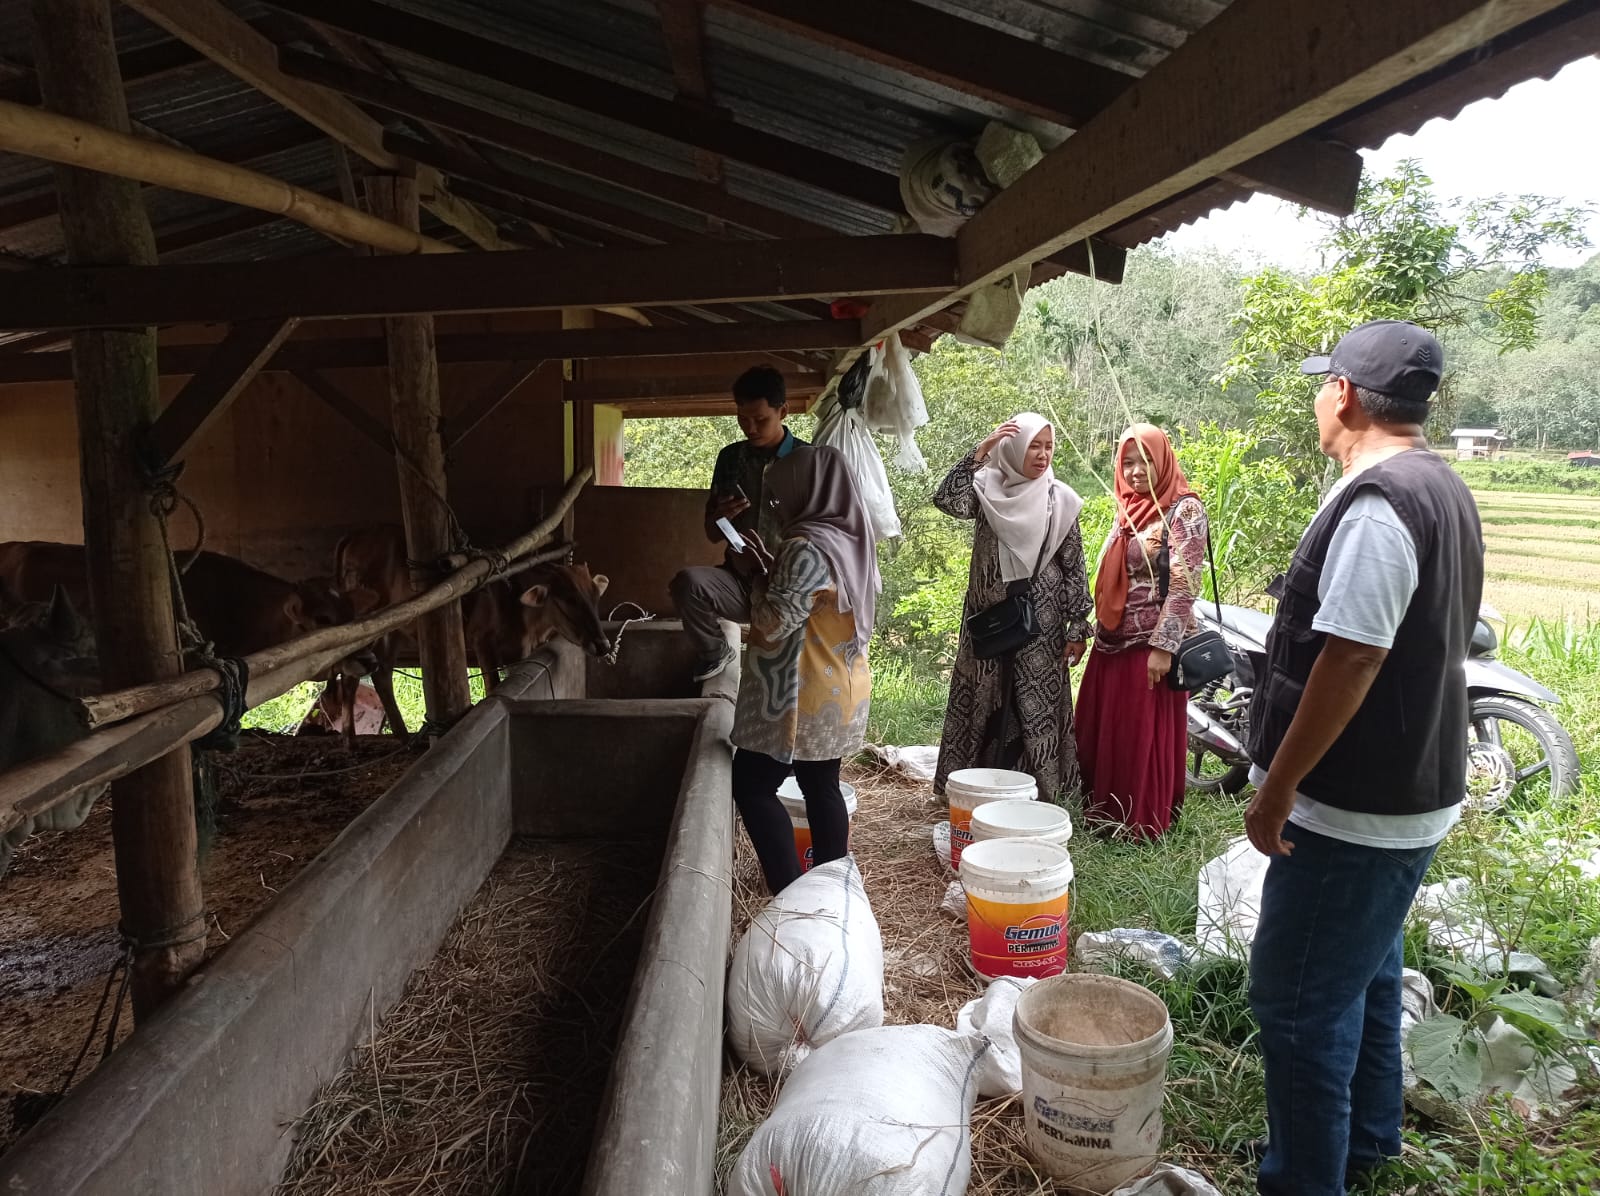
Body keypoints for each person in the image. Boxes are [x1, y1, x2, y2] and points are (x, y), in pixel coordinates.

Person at [1245, 320, 1483, 1195]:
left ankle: (1306, 1179)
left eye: (1322, 384)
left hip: (1357, 808)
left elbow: (1353, 657)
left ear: (1342, 394)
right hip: (1413, 790)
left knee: (1300, 1003)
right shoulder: (1442, 486)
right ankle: (1369, 1142)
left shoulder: (1381, 504)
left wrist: (1277, 789)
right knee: (1372, 972)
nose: (1319, 398)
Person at [730, 445, 879, 895]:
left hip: (803, 690)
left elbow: (774, 624)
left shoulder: (805, 546)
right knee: (821, 785)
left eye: (781, 496)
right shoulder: (854, 539)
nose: (777, 506)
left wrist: (753, 577)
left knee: (751, 783)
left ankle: (790, 890)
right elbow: (820, 600)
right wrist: (774, 569)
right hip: (843, 682)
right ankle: (834, 890)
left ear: (808, 492)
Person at [932, 414, 1091, 804]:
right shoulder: (986, 490)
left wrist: (1077, 627)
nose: (1042, 455)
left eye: (1048, 446)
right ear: (1012, 449)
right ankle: (972, 788)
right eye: (1033, 446)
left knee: (1034, 704)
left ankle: (1043, 793)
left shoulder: (1060, 499)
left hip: (1042, 624)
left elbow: (1074, 565)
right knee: (982, 698)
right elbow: (945, 498)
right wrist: (980, 451)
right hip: (988, 622)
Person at [1076, 423, 1207, 839]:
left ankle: (1139, 822)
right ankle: (1103, 815)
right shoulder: (1129, 509)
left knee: (1138, 735)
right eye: (1127, 462)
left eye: (1145, 460)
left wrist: (1164, 647)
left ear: (1163, 460)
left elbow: (1186, 583)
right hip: (1111, 641)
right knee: (1108, 732)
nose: (1135, 471)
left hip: (1149, 647)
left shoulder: (1183, 509)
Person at [670, 365, 806, 683]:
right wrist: (720, 518)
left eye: (760, 419)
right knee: (686, 583)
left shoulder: (807, 460)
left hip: (790, 588)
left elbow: (824, 534)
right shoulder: (730, 459)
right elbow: (711, 532)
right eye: (742, 419)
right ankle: (715, 651)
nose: (750, 428)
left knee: (786, 680)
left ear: (783, 411)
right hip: (740, 582)